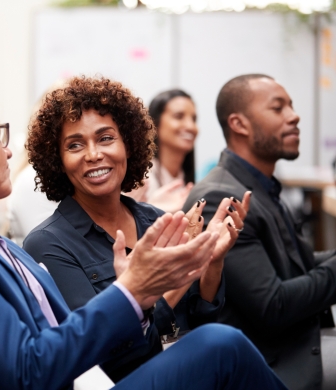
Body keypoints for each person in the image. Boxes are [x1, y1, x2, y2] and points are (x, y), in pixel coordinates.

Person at [0, 76, 286, 390]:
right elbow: (28, 372)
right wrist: (134, 290)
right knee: (220, 347)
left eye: (107, 138)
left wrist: (201, 266)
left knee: (220, 345)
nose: (8, 151)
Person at [23, 76, 250, 381]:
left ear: (128, 144)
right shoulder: (47, 243)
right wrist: (168, 284)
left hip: (188, 368)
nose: (93, 154)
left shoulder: (156, 220)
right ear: (58, 161)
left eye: (105, 138)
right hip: (126, 380)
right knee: (226, 345)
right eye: (75, 145)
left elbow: (201, 317)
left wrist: (212, 262)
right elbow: (105, 354)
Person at [184, 74, 336, 390]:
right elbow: (273, 306)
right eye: (278, 108)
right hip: (272, 363)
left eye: (291, 106)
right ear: (239, 124)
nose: (294, 116)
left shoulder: (257, 186)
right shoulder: (222, 198)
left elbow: (296, 261)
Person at [128, 89, 196, 212]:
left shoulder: (187, 180)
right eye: (179, 117)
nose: (191, 126)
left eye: (194, 119)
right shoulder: (141, 179)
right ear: (154, 123)